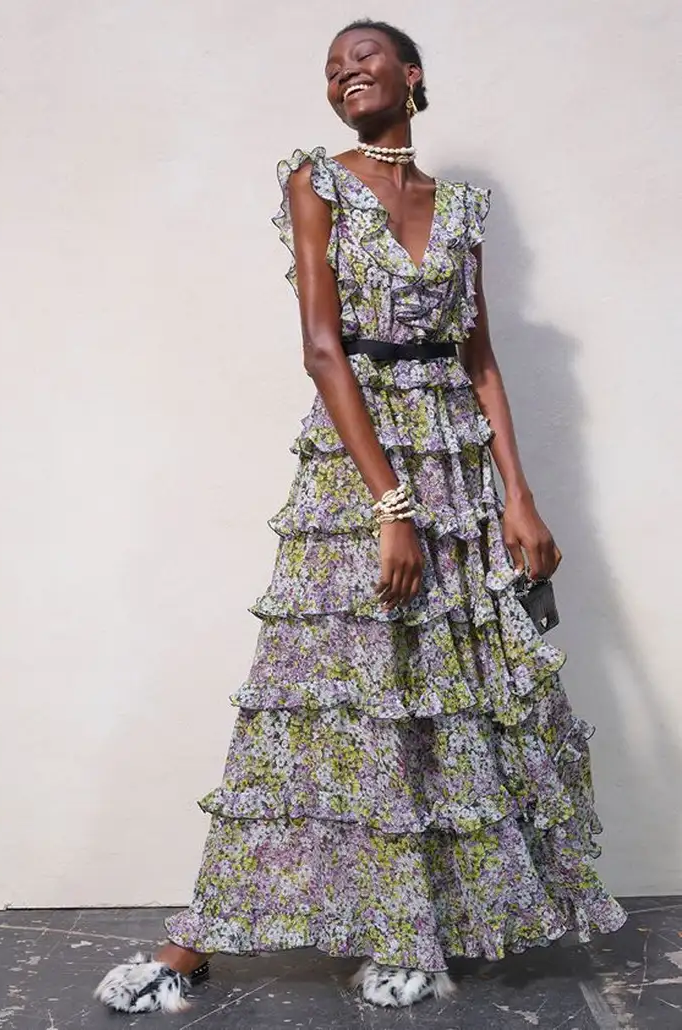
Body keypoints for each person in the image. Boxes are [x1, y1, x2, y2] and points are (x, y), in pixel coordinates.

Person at [95, 18, 626, 1015]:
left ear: (411, 75)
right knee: (328, 692)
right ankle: (193, 942)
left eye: (364, 56)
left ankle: (414, 931)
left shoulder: (458, 207)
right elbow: (321, 347)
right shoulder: (318, 183)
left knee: (448, 697)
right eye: (332, 65)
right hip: (359, 465)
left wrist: (518, 495)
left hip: (456, 467)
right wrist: (390, 505)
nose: (345, 71)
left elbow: (478, 356)